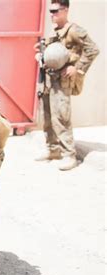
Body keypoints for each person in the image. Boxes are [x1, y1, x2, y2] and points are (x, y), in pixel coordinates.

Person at [34, 0, 99, 171]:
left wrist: (76, 68)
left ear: (65, 10)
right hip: (48, 79)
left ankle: (69, 155)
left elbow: (92, 49)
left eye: (55, 11)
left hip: (62, 82)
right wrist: (42, 54)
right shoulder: (54, 31)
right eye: (50, 11)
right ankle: (52, 149)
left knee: (61, 116)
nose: (52, 14)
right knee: (47, 116)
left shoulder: (74, 30)